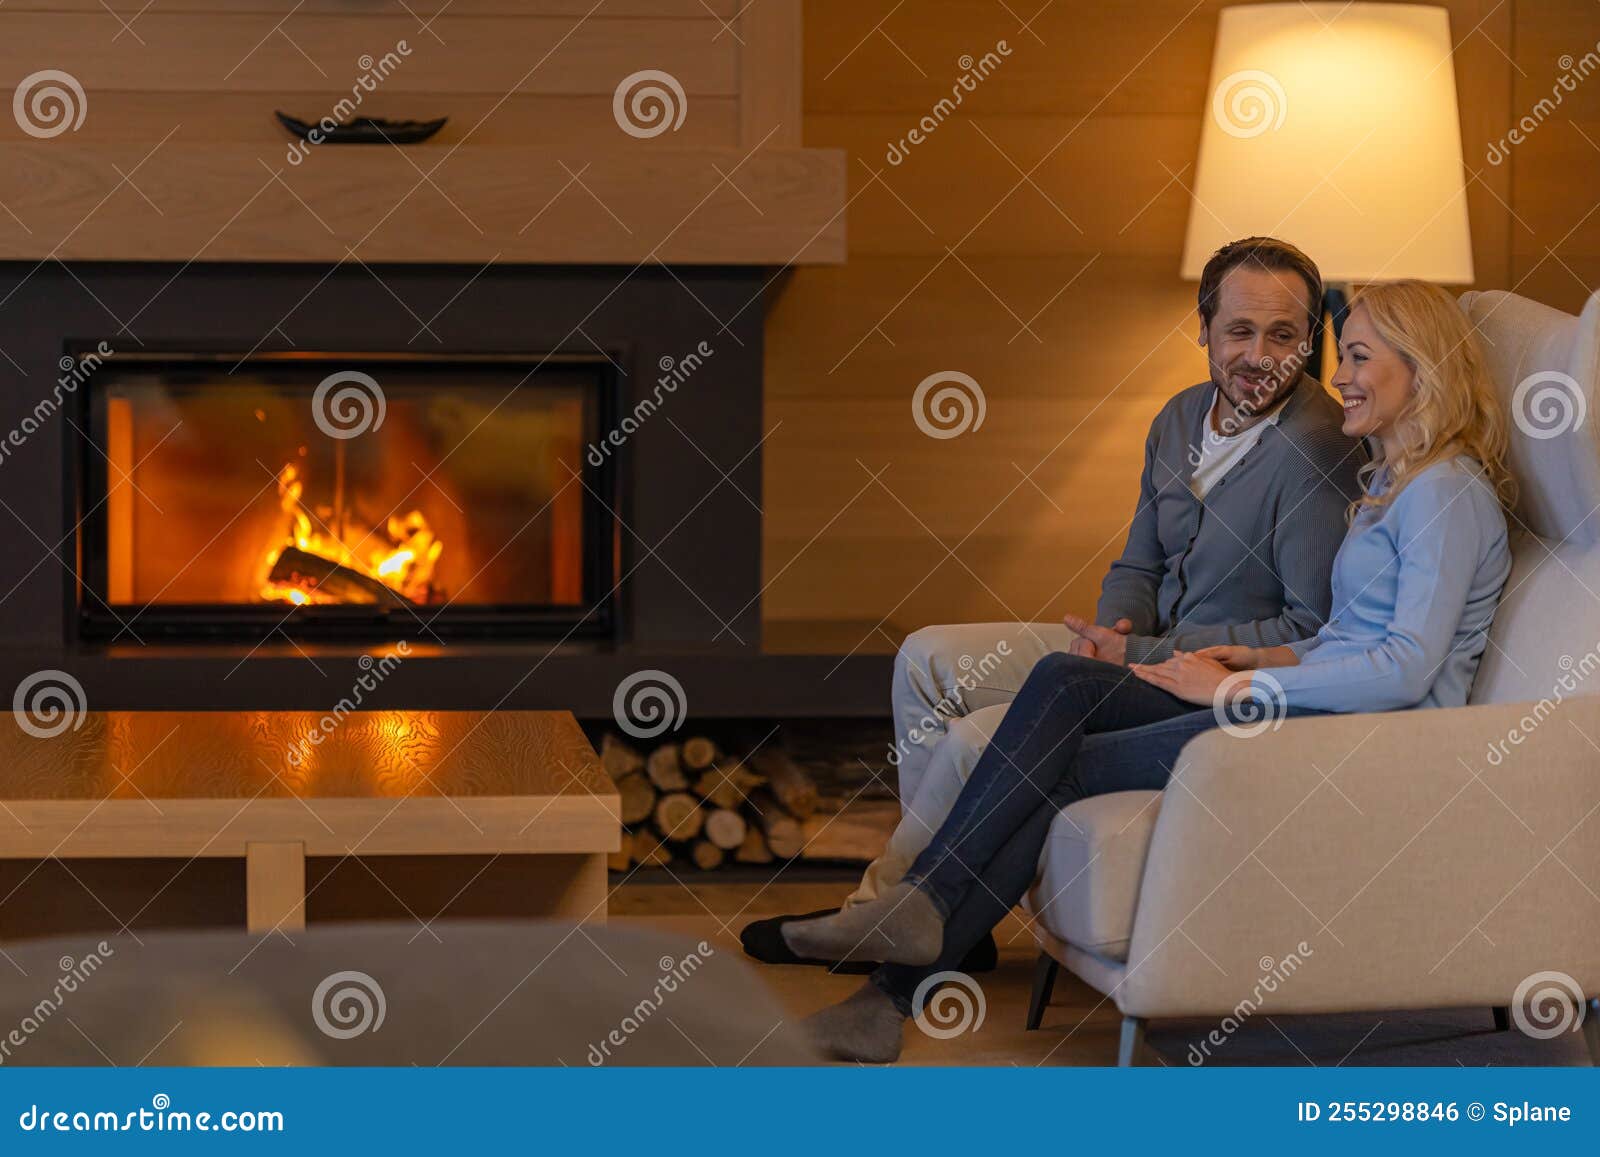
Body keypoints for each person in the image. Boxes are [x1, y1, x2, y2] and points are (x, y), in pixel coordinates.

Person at [782, 279, 1517, 1062]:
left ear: (1423, 368)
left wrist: (1240, 688)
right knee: (1065, 682)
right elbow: (1352, 639)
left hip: (1346, 743)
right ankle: (917, 917)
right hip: (1311, 706)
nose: (1339, 375)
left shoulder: (1447, 495)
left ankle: (896, 977)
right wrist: (1263, 656)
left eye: (1360, 357)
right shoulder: (1392, 484)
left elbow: (1405, 670)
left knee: (1055, 771)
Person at [741, 236, 1364, 971]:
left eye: (1284, 335)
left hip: (1196, 681)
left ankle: (893, 917)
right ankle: (944, 928)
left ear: (1309, 338)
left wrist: (1139, 654)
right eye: (1239, 331)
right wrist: (1115, 628)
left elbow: (1308, 628)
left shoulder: (1315, 449)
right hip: (1130, 655)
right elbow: (1139, 560)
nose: (1261, 355)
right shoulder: (1179, 416)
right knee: (925, 658)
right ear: (1202, 328)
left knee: (980, 736)